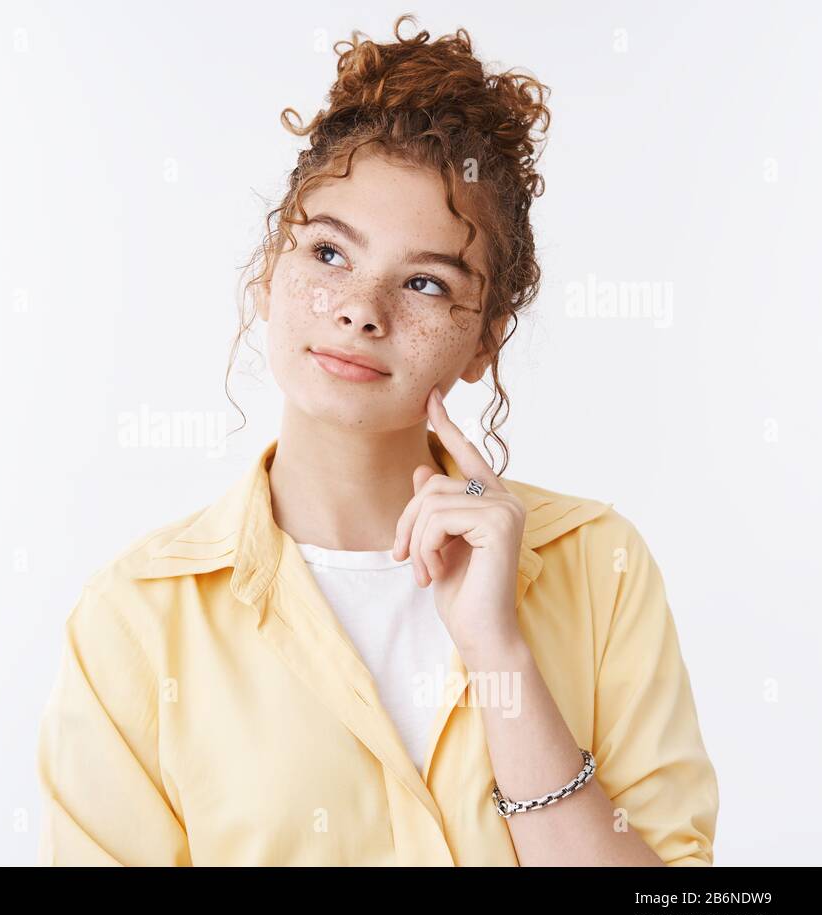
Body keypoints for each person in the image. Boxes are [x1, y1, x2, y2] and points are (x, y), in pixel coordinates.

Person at [35, 15, 718, 866]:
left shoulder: (600, 569)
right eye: (328, 253)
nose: (362, 308)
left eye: (426, 281)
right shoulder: (136, 619)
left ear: (485, 341)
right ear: (267, 278)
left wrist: (497, 650)